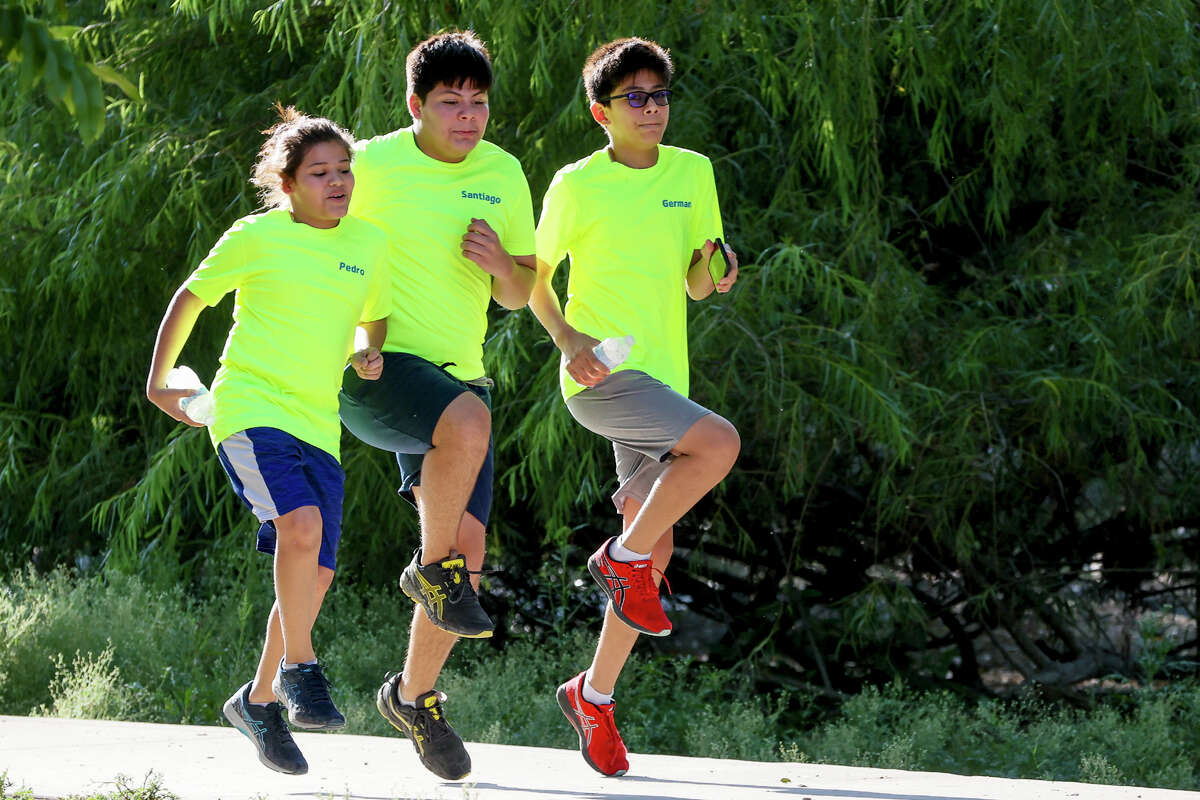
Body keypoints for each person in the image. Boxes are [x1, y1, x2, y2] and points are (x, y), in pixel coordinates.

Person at [145, 106, 391, 776]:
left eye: (344, 170)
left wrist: (369, 352)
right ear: (287, 184)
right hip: (250, 407)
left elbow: (374, 319)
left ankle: (257, 703)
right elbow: (190, 298)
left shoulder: (367, 244)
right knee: (300, 527)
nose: (337, 181)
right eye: (320, 173)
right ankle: (300, 667)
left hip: (319, 422)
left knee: (314, 574)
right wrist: (159, 379)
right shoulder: (256, 236)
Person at [527, 37, 742, 777]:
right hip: (601, 376)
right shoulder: (576, 185)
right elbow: (530, 276)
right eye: (635, 99)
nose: (651, 110)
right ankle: (617, 561)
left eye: (660, 96)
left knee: (658, 549)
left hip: (663, 382)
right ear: (601, 112)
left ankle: (593, 695)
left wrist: (713, 274)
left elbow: (691, 276)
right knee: (718, 445)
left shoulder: (694, 172)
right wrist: (566, 338)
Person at [336, 30, 536, 780]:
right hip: (375, 365)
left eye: (478, 103)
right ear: (415, 105)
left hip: (463, 376)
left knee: (471, 557)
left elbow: (521, 293)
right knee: (469, 426)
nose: (467, 118)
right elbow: (310, 230)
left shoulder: (504, 172)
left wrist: (498, 267)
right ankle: (428, 568)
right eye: (450, 103)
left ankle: (413, 698)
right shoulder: (371, 163)